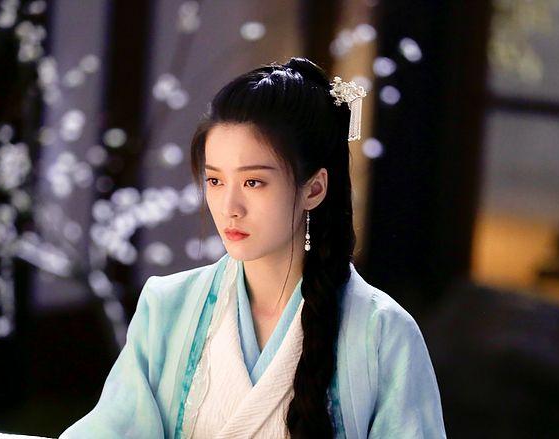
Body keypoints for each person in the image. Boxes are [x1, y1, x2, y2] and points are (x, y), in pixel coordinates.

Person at [59, 57, 447, 438]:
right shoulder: (167, 307)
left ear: (314, 189)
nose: (229, 207)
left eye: (253, 182)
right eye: (215, 181)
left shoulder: (382, 332)